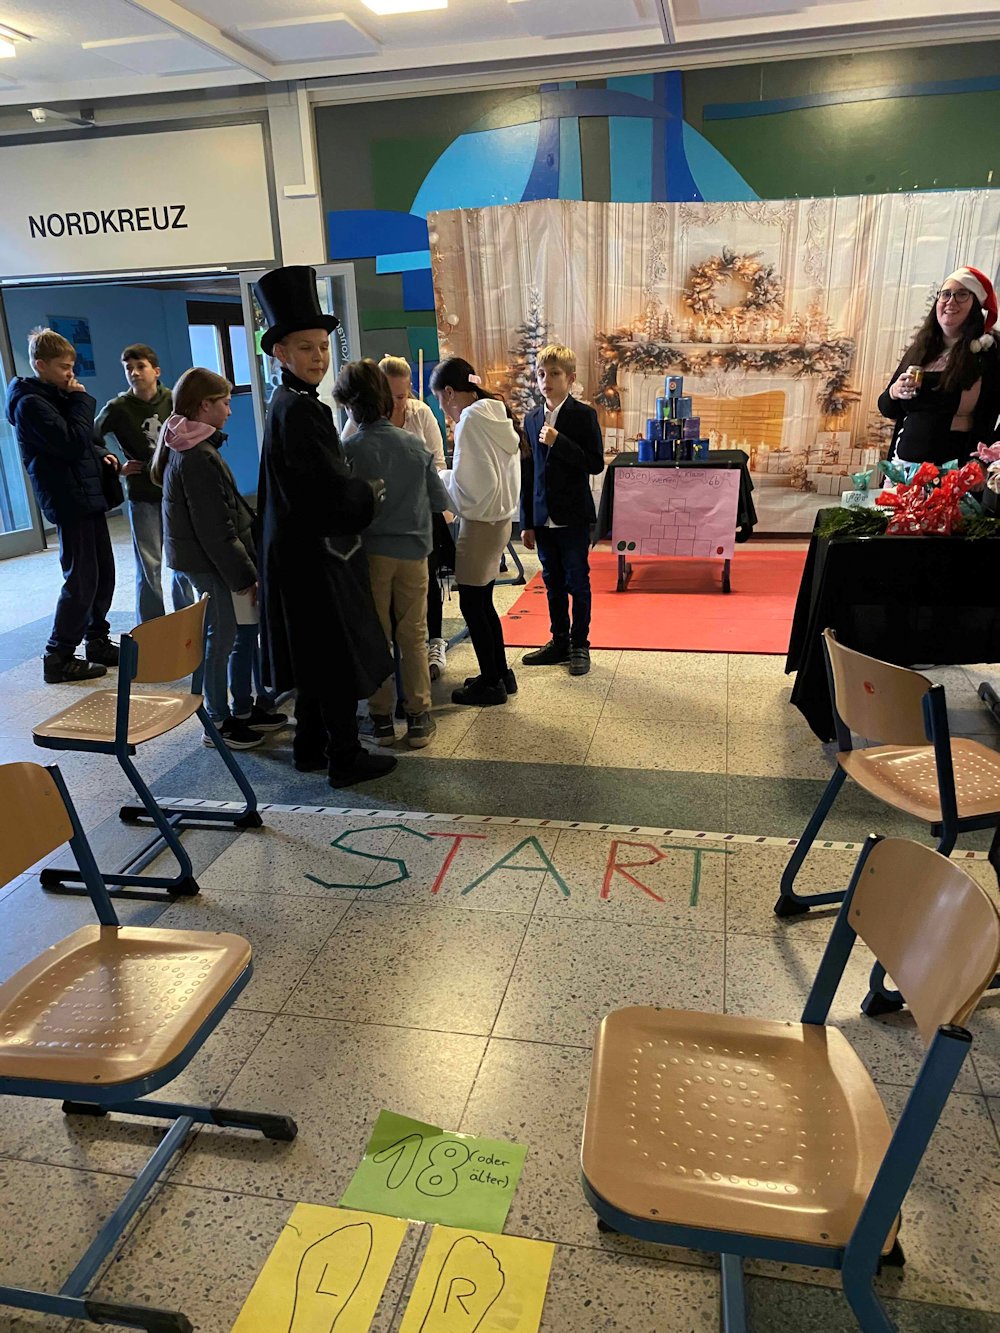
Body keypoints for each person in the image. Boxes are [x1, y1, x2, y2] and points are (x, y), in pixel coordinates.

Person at [253, 265, 396, 788]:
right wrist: (369, 492)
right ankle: (345, 757)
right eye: (305, 348)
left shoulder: (287, 403)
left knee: (313, 655)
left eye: (322, 346)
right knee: (333, 655)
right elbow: (328, 496)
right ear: (280, 352)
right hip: (314, 557)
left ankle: (309, 747)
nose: (318, 357)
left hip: (294, 552)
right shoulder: (302, 412)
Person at [151, 367, 286, 749]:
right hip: (208, 563)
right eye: (225, 403)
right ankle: (218, 720)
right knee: (222, 637)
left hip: (212, 559)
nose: (229, 410)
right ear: (204, 405)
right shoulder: (197, 456)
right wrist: (244, 576)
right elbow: (215, 529)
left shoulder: (193, 446)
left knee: (242, 633)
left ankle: (243, 709)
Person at [337, 359, 451, 749]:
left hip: (371, 555)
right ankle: (419, 717)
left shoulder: (348, 450)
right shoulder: (415, 445)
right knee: (414, 636)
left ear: (351, 406)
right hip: (414, 553)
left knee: (377, 637)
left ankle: (381, 720)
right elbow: (439, 500)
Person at [6, 328, 121, 683]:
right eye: (63, 367)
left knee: (103, 572)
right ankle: (58, 655)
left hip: (86, 494)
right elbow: (70, 442)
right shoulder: (31, 404)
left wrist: (100, 453)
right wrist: (81, 401)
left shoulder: (57, 396)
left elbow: (83, 441)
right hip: (67, 498)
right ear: (40, 365)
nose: (71, 373)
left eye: (72, 366)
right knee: (81, 577)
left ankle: (96, 639)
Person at [430, 356, 520, 707]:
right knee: (484, 601)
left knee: (472, 603)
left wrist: (440, 478)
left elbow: (472, 485)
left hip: (480, 523)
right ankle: (500, 674)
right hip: (500, 521)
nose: (443, 409)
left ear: (450, 392)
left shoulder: (470, 419)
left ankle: (491, 683)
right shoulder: (495, 412)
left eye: (440, 400)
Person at [520, 343, 604, 677]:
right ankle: (559, 641)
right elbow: (528, 472)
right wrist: (526, 521)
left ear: (570, 378)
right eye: (541, 374)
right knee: (552, 582)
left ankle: (580, 644)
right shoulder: (531, 418)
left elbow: (595, 464)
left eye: (554, 373)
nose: (546, 380)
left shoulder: (583, 415)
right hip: (542, 518)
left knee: (577, 582)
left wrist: (561, 442)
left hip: (573, 516)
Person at [97, 342, 192, 623]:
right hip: (142, 494)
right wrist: (118, 466)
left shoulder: (173, 400)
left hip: (175, 492)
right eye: (129, 368)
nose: (135, 373)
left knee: (183, 559)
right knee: (149, 564)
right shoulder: (118, 407)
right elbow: (92, 437)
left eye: (141, 367)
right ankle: (153, 626)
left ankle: (187, 619)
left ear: (156, 371)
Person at [879, 266, 1000, 468]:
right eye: (945, 294)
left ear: (975, 305)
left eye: (962, 294)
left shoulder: (989, 353)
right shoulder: (920, 351)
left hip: (954, 474)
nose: (951, 301)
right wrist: (894, 392)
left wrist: (985, 459)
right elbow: (887, 408)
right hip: (902, 468)